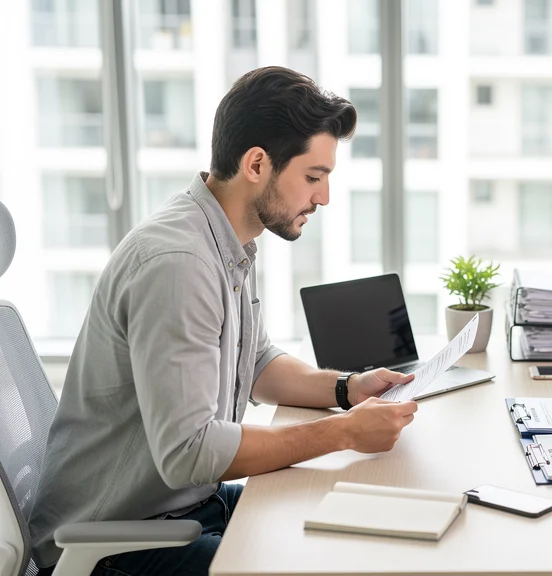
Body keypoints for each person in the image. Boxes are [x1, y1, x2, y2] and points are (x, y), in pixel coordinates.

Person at [29, 66, 419, 576]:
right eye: (313, 177)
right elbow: (189, 452)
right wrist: (343, 433)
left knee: (344, 525)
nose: (322, 198)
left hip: (181, 506)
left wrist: (348, 389)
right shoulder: (178, 263)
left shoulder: (225, 238)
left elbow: (254, 362)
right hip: (115, 541)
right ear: (257, 163)